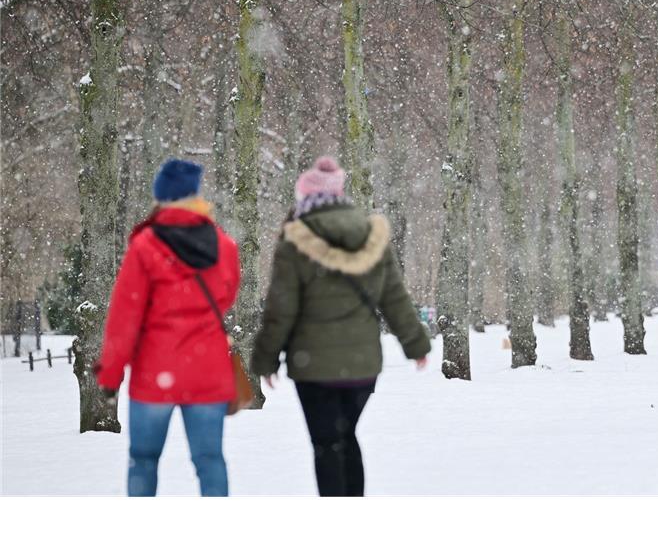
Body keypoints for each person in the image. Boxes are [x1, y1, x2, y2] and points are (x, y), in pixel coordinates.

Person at [251, 156, 431, 497]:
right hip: (362, 367)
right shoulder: (370, 235)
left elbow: (281, 309)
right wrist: (416, 344)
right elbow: (394, 297)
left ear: (304, 197)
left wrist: (266, 359)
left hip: (313, 366)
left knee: (327, 444)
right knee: (346, 437)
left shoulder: (294, 241)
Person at [95, 159, 240, 496]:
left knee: (143, 459)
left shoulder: (145, 246)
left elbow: (124, 317)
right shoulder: (224, 245)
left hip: (155, 371)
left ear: (160, 197)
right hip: (207, 370)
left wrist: (111, 374)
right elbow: (227, 297)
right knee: (210, 460)